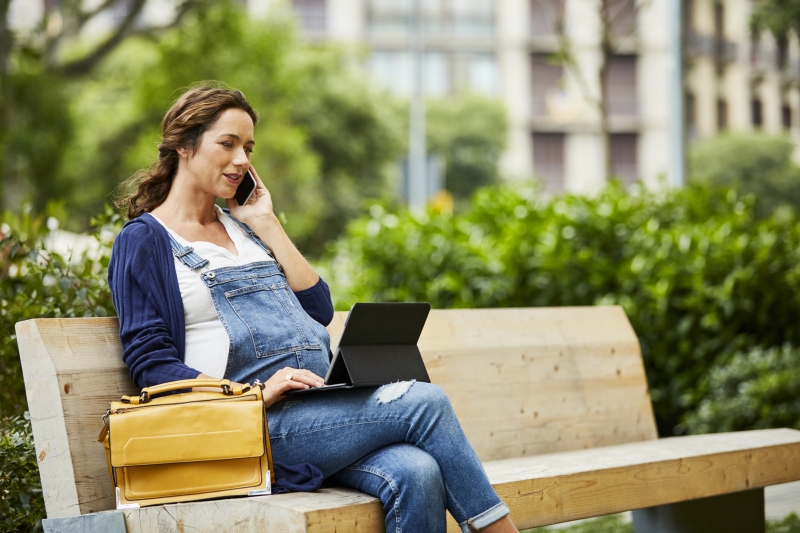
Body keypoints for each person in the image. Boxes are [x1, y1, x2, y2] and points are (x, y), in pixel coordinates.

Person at [108, 83, 517, 533]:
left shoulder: (245, 227)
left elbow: (318, 307)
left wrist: (266, 221)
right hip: (249, 427)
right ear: (184, 145)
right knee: (424, 400)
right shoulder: (145, 240)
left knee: (417, 471)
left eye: (247, 148)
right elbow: (151, 365)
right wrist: (252, 395)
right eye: (227, 144)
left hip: (317, 412)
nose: (242, 160)